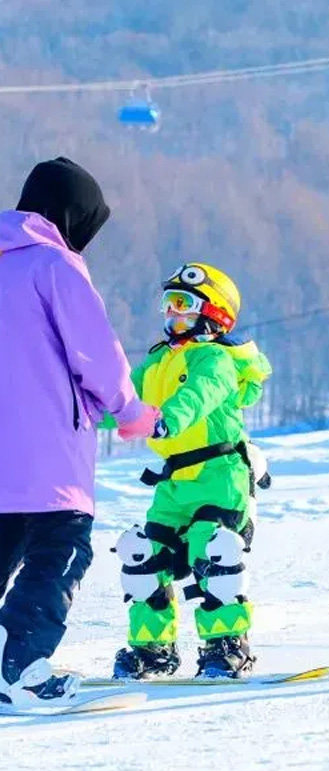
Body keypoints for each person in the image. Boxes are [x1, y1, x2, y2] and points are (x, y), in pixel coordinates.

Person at [0, 157, 159, 705]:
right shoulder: (53, 266)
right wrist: (131, 411)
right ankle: (18, 667)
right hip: (46, 452)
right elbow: (96, 355)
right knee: (62, 549)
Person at [111, 262, 272, 679]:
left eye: (182, 303)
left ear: (213, 312)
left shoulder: (214, 359)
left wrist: (166, 418)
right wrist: (80, 410)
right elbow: (123, 396)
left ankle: (228, 646)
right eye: (167, 304)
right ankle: (153, 651)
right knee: (144, 555)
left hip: (220, 475)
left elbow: (199, 395)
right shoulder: (159, 361)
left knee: (213, 550)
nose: (171, 313)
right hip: (174, 482)